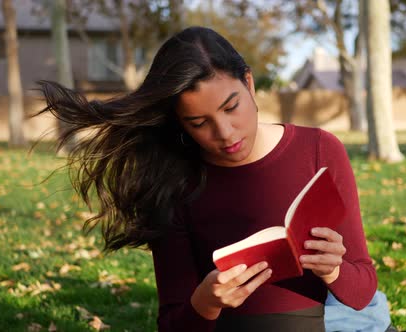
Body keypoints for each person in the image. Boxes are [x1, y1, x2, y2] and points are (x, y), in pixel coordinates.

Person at [36, 26, 377, 332]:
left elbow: (362, 292)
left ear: (249, 84)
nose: (225, 134)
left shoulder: (319, 149)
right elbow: (172, 325)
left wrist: (334, 270)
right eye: (199, 123)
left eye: (231, 108)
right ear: (180, 123)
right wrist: (207, 302)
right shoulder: (173, 181)